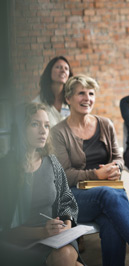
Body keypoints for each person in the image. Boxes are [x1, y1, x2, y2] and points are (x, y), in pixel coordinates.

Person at [51, 75, 129, 266]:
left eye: (91, 93)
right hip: (74, 198)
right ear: (68, 98)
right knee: (109, 195)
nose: (87, 98)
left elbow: (118, 158)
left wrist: (115, 168)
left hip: (108, 193)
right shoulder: (58, 132)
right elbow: (64, 175)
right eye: (81, 93)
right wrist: (95, 174)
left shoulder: (105, 124)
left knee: (111, 221)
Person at [0, 103, 82, 266]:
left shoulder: (52, 162)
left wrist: (66, 225)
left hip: (54, 238)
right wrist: (41, 232)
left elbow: (67, 200)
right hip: (20, 244)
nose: (43, 130)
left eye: (46, 125)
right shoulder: (6, 168)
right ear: (20, 129)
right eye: (35, 124)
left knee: (65, 254)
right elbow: (4, 228)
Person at [33, 56, 73, 127]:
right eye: (58, 67)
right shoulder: (37, 103)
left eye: (66, 68)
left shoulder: (72, 100)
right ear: (49, 72)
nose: (63, 71)